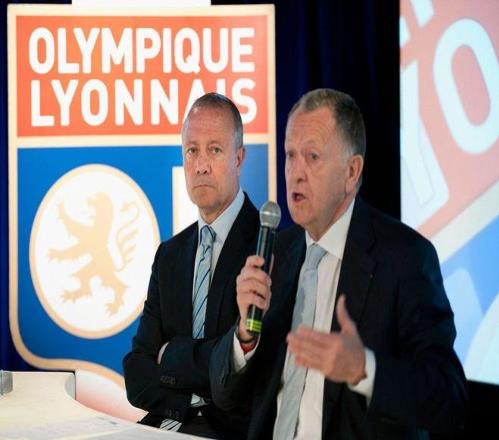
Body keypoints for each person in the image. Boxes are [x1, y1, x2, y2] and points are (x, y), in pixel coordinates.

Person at [210, 88, 467, 439]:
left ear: (351, 171)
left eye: (312, 157)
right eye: (290, 155)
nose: (295, 173)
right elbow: (225, 396)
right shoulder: (276, 253)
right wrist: (244, 334)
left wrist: (365, 368)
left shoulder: (405, 258)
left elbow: (449, 398)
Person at [123, 92, 259, 439]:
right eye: (192, 151)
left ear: (239, 157)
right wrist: (193, 396)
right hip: (163, 425)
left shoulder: (268, 246)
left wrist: (171, 355)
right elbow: (137, 373)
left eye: (215, 150)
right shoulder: (169, 255)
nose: (201, 165)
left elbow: (246, 377)